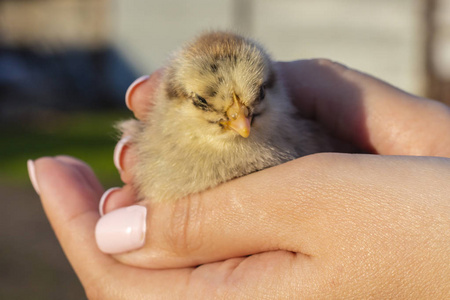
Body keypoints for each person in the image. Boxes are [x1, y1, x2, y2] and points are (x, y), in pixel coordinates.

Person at [28, 59, 450, 299]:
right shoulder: (155, 144)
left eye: (254, 100)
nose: (240, 122)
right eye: (204, 103)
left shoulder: (306, 141)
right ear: (173, 99)